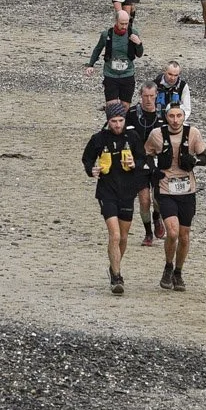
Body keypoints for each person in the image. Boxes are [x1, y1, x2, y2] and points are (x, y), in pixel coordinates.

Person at [82, 101, 149, 295]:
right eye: (114, 121)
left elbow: (143, 158)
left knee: (124, 237)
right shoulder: (99, 138)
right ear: (108, 121)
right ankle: (117, 277)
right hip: (107, 191)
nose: (118, 125)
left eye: (120, 120)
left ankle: (113, 267)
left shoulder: (132, 136)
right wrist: (91, 170)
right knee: (115, 234)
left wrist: (135, 163)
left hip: (127, 191)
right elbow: (87, 158)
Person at [145, 104, 206, 290]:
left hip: (187, 190)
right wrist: (153, 170)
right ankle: (168, 266)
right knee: (172, 232)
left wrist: (194, 160)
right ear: (166, 117)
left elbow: (204, 158)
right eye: (171, 116)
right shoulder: (156, 134)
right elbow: (147, 154)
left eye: (179, 116)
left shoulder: (193, 133)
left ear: (184, 116)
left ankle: (178, 272)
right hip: (166, 189)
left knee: (184, 236)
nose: (175, 120)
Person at [125, 83, 165, 247]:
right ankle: (148, 232)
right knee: (144, 200)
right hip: (139, 162)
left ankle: (156, 216)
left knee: (158, 198)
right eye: (145, 96)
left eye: (151, 96)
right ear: (140, 96)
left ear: (156, 96)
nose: (148, 100)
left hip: (158, 161)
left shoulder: (163, 113)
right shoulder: (132, 113)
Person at [85, 6, 144, 103]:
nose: (124, 26)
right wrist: (91, 65)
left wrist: (139, 44)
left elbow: (139, 54)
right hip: (110, 74)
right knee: (112, 106)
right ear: (116, 21)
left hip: (127, 74)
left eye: (126, 23)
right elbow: (98, 49)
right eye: (122, 24)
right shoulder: (106, 34)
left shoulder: (133, 33)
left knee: (125, 106)